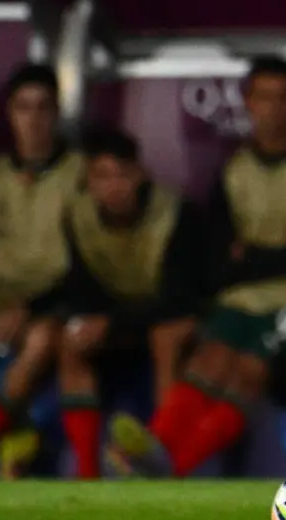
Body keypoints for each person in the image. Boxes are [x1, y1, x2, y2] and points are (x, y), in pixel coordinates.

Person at [109, 55, 286, 477]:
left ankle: (173, 469)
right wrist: (284, 246)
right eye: (264, 97)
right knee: (207, 360)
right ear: (247, 102)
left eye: (284, 97)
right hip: (242, 300)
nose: (274, 108)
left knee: (246, 372)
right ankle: (152, 451)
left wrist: (251, 254)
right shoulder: (233, 170)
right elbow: (218, 264)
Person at [58, 127, 204, 479]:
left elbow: (179, 299)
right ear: (89, 182)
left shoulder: (173, 212)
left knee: (164, 337)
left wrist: (111, 323)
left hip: (178, 318)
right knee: (69, 343)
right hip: (119, 322)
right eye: (102, 176)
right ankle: (87, 472)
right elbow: (80, 290)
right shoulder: (77, 217)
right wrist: (91, 323)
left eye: (123, 174)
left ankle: (161, 458)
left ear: (140, 175)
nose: (114, 186)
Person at [0, 63, 84, 476]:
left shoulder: (80, 174)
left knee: (42, 339)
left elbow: (90, 261)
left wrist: (26, 308)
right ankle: (16, 434)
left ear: (57, 112)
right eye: (24, 107)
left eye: (43, 107)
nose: (33, 118)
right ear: (10, 113)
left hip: (54, 303)